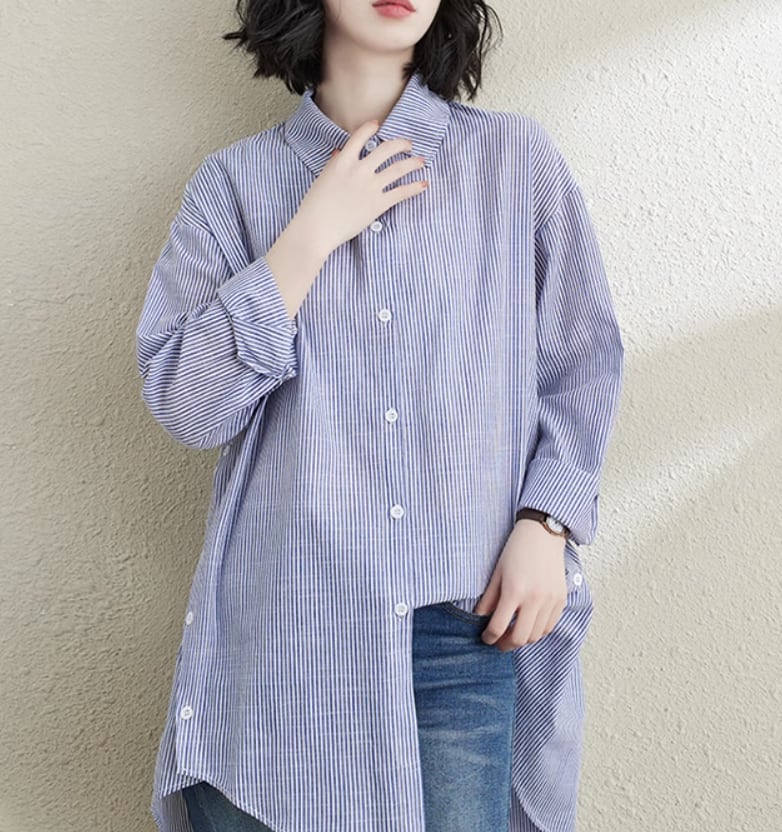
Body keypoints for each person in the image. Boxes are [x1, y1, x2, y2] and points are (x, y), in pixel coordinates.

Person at [135, 1, 624, 831]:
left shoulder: (515, 161)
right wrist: (308, 237)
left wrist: (547, 522)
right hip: (280, 644)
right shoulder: (233, 186)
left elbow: (582, 362)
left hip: (459, 635)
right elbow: (188, 404)